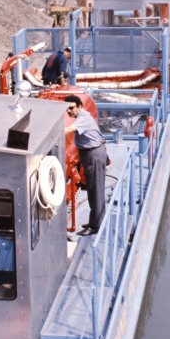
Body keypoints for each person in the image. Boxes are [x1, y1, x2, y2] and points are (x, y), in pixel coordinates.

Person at [64, 95, 107, 235]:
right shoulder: (82, 115)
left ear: (80, 106)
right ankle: (95, 221)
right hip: (89, 154)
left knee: (96, 191)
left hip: (93, 155)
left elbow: (69, 130)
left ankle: (96, 227)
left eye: (71, 108)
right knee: (92, 189)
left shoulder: (83, 118)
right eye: (67, 109)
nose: (69, 112)